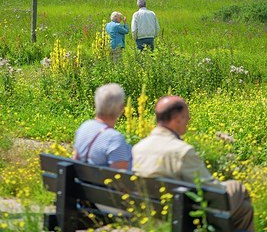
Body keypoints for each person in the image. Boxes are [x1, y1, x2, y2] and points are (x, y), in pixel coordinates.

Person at [132, 96, 254, 232]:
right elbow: (213, 191)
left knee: (244, 208)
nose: (189, 120)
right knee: (238, 190)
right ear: (177, 119)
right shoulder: (182, 151)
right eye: (186, 116)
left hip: (155, 211)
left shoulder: (138, 147)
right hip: (185, 216)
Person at [73, 83, 131, 170]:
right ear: (121, 108)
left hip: (81, 182)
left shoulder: (84, 127)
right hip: (98, 183)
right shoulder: (115, 139)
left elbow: (75, 161)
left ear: (96, 105)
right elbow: (119, 180)